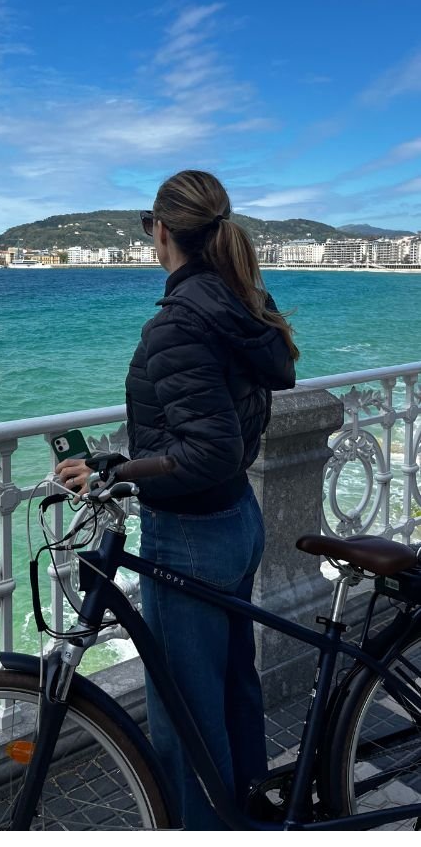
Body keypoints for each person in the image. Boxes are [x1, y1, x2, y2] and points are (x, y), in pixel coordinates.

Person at [55, 169, 298, 830]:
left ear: (160, 231)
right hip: (236, 519)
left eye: (149, 228)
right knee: (229, 687)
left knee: (184, 719)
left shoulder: (177, 325)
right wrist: (117, 462)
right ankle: (249, 816)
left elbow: (207, 448)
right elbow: (218, 423)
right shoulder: (237, 302)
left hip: (189, 533)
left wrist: (120, 474)